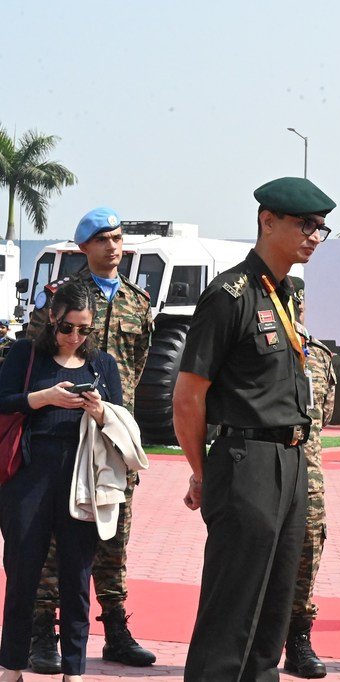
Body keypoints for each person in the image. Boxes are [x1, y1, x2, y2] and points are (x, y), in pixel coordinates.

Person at [172, 176, 335, 680]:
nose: (314, 235)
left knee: (273, 612)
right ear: (267, 221)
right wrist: (204, 471)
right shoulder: (230, 294)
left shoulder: (286, 295)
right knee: (232, 610)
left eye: (321, 227)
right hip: (246, 461)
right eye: (304, 223)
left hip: (290, 461)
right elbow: (188, 396)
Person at [25, 207, 154, 672]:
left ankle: (115, 629)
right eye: (102, 239)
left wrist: (117, 423)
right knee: (57, 543)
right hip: (62, 436)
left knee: (113, 536)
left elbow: (136, 368)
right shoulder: (60, 297)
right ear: (83, 248)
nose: (112, 246)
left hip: (111, 436)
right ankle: (44, 634)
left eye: (118, 237)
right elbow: (35, 355)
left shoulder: (139, 302)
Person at [0, 281, 124, 682]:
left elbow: (120, 422)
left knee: (78, 574)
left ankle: (75, 668)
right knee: (22, 572)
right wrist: (44, 398)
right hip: (30, 473)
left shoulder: (102, 365)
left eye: (84, 330)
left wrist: (101, 411)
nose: (75, 337)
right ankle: (12, 664)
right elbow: (2, 401)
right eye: (68, 328)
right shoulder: (26, 354)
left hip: (82, 475)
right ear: (52, 319)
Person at [282, 277, 338, 679]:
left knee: (307, 556)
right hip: (265, 468)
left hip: (310, 475)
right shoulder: (258, 348)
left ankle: (299, 640)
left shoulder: (318, 356)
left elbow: (324, 417)